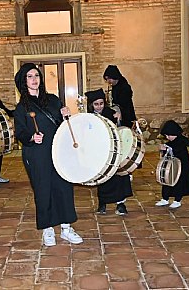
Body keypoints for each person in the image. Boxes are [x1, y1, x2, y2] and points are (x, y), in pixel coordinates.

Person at [14, 63, 82, 247]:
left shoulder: (53, 100)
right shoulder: (21, 107)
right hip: (37, 154)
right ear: (23, 81)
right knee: (43, 190)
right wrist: (31, 137)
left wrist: (66, 114)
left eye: (36, 75)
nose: (34, 79)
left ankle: (67, 228)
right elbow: (19, 132)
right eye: (29, 76)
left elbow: (62, 123)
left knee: (64, 187)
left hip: (59, 150)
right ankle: (48, 229)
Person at [84, 88, 133, 216]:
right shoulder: (89, 117)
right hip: (100, 152)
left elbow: (121, 129)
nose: (99, 107)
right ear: (91, 105)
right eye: (96, 104)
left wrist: (118, 118)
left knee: (119, 177)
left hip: (115, 149)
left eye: (101, 103)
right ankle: (103, 203)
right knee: (103, 177)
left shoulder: (111, 113)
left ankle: (121, 204)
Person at [155, 120, 189, 209]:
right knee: (166, 180)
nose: (167, 137)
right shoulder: (172, 141)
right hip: (171, 166)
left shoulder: (181, 141)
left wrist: (167, 148)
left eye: (168, 135)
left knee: (179, 182)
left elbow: (177, 149)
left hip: (180, 168)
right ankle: (165, 198)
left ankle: (177, 200)